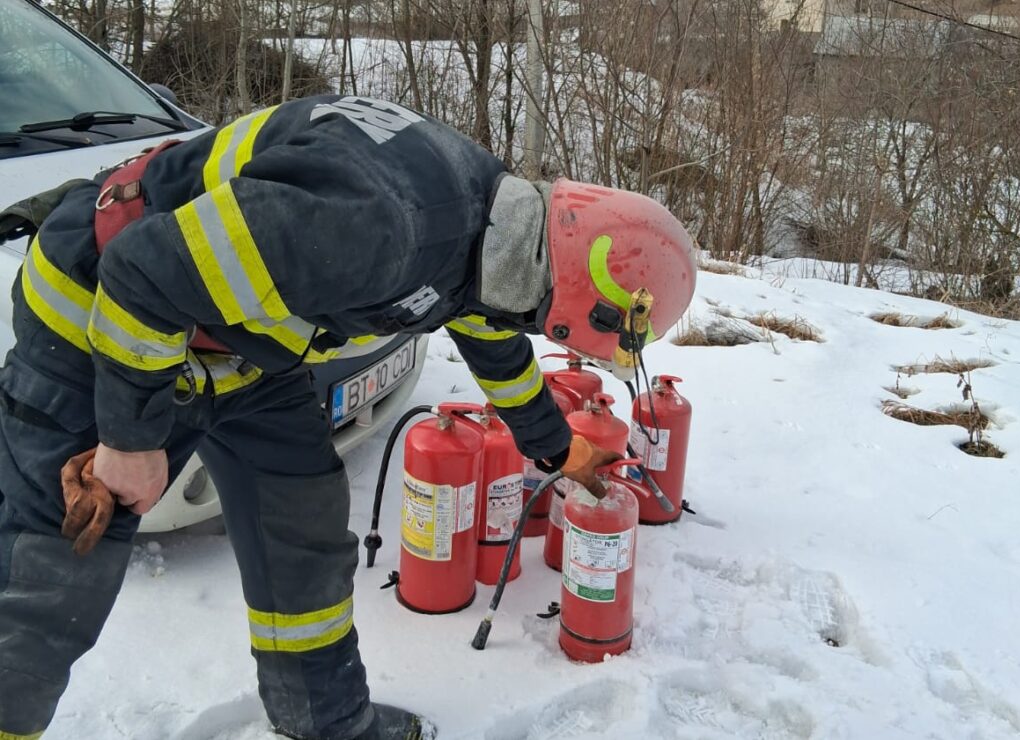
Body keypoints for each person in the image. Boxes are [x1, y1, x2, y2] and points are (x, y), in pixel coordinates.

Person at [0, 94, 697, 740]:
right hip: (101, 325)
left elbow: (490, 333)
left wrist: (557, 448)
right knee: (52, 579)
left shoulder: (497, 229)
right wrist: (129, 440)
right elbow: (142, 272)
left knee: (301, 526)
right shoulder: (380, 226)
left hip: (240, 353)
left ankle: (325, 723)